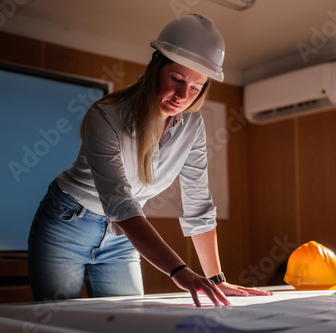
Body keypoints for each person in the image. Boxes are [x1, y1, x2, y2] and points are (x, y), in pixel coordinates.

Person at [27, 13, 271, 307]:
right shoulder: (105, 115)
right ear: (156, 68)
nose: (183, 95)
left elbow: (198, 204)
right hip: (66, 224)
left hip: (121, 237)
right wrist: (180, 272)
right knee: (57, 319)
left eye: (196, 87)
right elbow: (120, 202)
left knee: (127, 323)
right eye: (177, 79)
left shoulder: (193, 127)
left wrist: (217, 280)